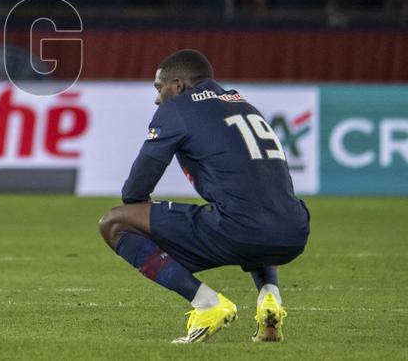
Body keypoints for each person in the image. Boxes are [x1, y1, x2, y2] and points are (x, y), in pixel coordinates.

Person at [98, 49, 309, 344]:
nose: (157, 99)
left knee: (114, 223)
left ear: (179, 85)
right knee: (249, 209)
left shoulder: (178, 108)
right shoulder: (243, 104)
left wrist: (145, 214)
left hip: (242, 229)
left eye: (160, 88)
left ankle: (207, 304)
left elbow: (136, 187)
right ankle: (270, 298)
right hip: (295, 230)